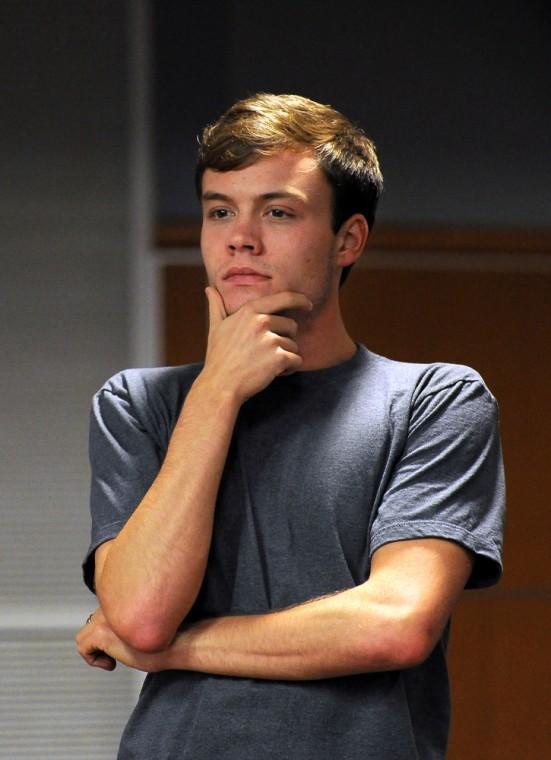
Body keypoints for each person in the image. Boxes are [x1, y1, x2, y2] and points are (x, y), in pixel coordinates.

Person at [76, 93, 505, 759]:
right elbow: (138, 614)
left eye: (277, 212)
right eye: (220, 210)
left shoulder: (435, 400)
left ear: (348, 239)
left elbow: (394, 626)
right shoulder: (138, 404)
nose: (239, 237)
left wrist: (174, 649)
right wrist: (217, 391)